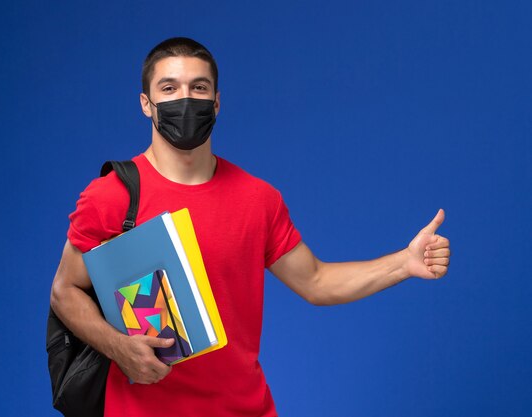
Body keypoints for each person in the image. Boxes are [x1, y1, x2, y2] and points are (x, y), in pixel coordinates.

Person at [50, 37, 451, 416]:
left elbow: (316, 281)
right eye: (169, 88)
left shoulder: (258, 199)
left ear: (217, 102)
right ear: (146, 103)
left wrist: (404, 263)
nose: (185, 100)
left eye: (199, 88)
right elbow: (65, 291)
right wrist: (119, 347)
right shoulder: (112, 196)